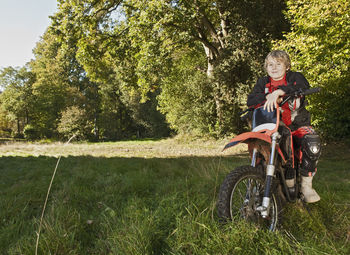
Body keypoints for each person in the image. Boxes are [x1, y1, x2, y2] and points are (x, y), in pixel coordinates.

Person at [247, 50, 321, 203]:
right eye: (270, 65)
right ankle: (286, 181)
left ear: (287, 66)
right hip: (273, 127)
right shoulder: (263, 83)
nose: (274, 68)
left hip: (298, 124)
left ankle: (307, 186)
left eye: (278, 64)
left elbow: (303, 86)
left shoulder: (295, 77)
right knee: (282, 137)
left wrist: (280, 92)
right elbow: (251, 99)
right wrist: (269, 95)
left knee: (312, 141)